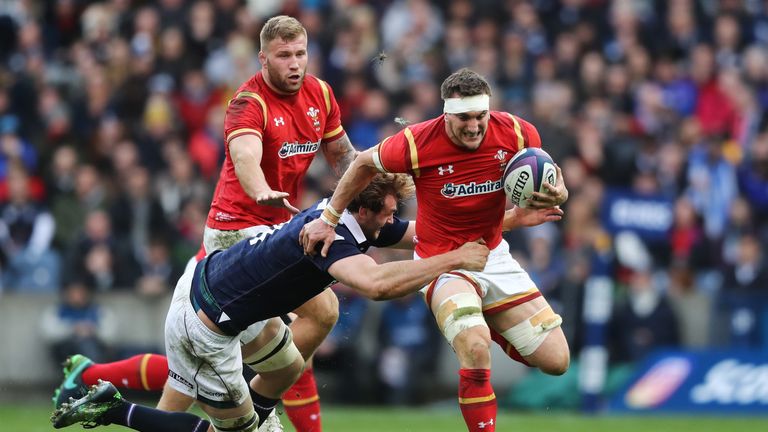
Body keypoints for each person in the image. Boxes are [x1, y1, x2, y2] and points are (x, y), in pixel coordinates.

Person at [51, 15, 356, 432]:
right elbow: (245, 157)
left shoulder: (320, 93)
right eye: (284, 56)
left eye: (300, 54)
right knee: (320, 313)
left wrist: (369, 181)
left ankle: (90, 379)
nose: (295, 64)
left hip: (274, 232)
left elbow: (343, 157)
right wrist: (261, 188)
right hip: (236, 232)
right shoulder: (249, 102)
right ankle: (254, 402)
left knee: (188, 384)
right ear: (263, 59)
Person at [51, 173, 491, 431]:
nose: (395, 221)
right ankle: (113, 407)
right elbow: (376, 285)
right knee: (229, 431)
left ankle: (253, 419)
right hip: (208, 325)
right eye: (390, 213)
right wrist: (454, 260)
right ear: (364, 210)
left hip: (214, 287)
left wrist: (506, 218)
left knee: (288, 366)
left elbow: (424, 233)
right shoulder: (330, 240)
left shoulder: (342, 215)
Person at [300, 68, 571, 432]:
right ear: (446, 114)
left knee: (557, 360)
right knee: (475, 348)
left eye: (480, 117)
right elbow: (363, 162)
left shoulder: (520, 133)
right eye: (464, 118)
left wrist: (559, 193)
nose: (474, 126)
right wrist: (329, 218)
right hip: (442, 265)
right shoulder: (415, 143)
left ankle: (485, 316)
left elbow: (551, 179)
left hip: (495, 256)